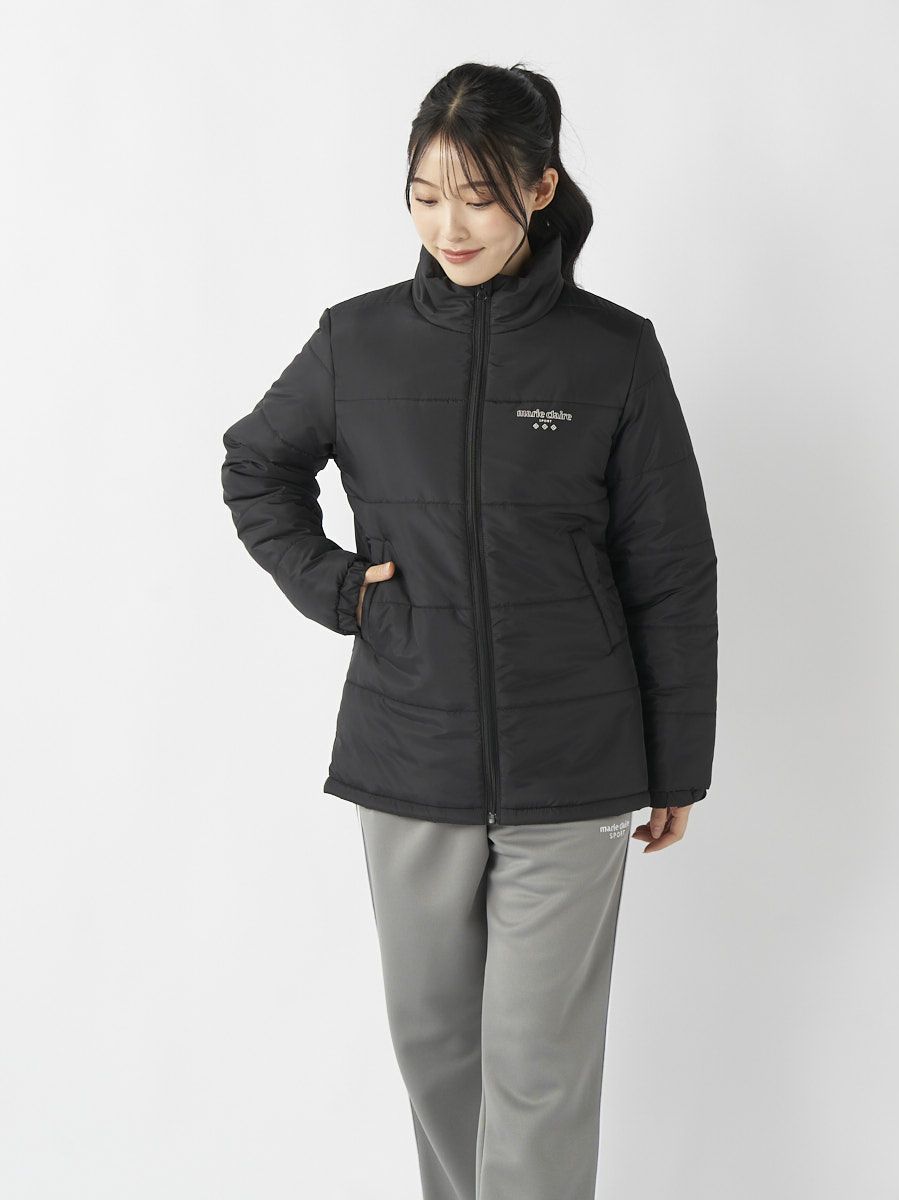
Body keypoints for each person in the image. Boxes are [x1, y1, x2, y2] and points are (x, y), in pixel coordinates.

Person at [221, 60, 717, 1200]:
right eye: (426, 195)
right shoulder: (357, 342)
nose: (450, 225)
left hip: (574, 761)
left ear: (540, 189)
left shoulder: (612, 353)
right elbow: (256, 467)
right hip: (409, 750)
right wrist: (342, 591)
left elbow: (671, 568)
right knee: (436, 1051)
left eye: (480, 197)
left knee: (537, 1072)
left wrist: (676, 761)